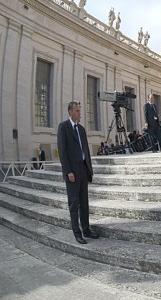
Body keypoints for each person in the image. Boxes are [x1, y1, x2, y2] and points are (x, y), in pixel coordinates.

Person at [57, 101, 98, 244]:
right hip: (72, 172)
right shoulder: (64, 127)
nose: (79, 113)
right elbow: (62, 152)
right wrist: (68, 171)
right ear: (70, 112)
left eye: (80, 111)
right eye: (77, 111)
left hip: (83, 169)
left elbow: (85, 150)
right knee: (74, 204)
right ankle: (77, 232)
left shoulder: (81, 129)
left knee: (84, 203)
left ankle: (86, 229)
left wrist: (89, 170)